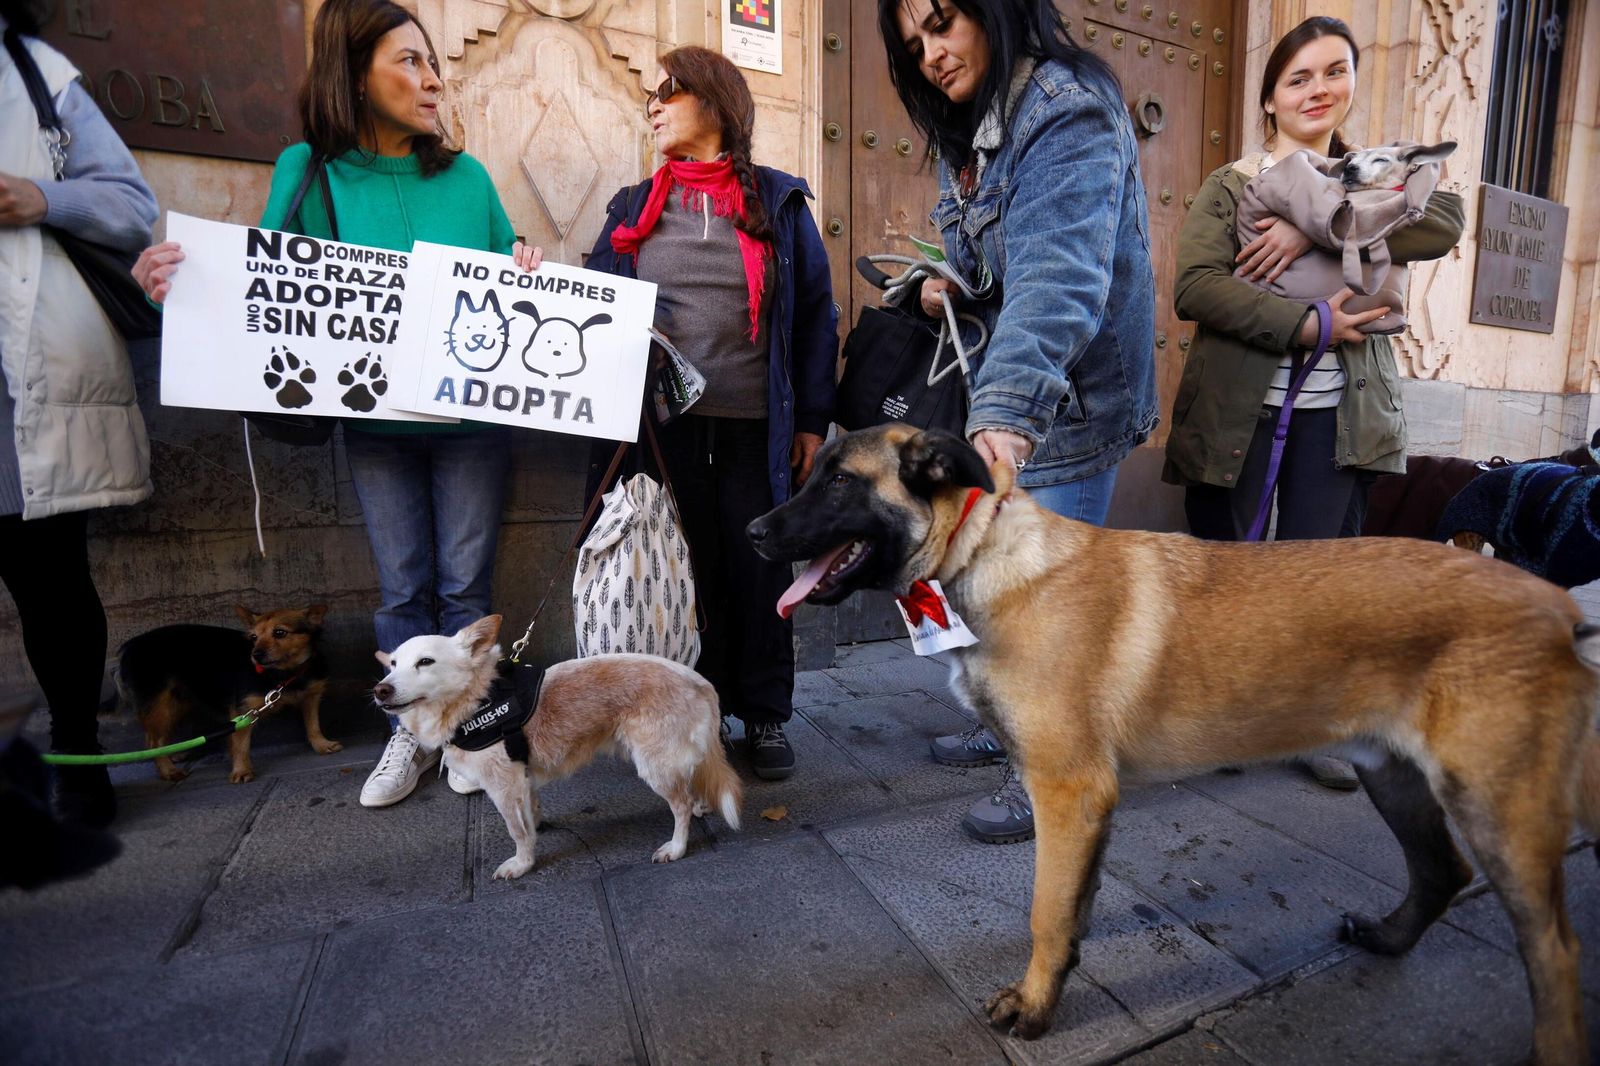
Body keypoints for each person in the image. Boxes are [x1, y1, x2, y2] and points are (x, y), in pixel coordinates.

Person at [134, 0, 542, 809]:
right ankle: (407, 734)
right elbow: (266, 297)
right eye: (410, 63)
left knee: (466, 587)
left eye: (434, 64)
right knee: (403, 587)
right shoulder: (310, 169)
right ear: (355, 75)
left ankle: (465, 734)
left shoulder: (466, 176)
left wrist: (526, 266)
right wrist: (170, 294)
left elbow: (506, 272)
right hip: (378, 425)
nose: (432, 81)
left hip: (473, 422)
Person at [879, 0, 1158, 843]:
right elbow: (990, 265)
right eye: (915, 42)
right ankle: (1006, 725)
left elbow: (1058, 282)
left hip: (1062, 403)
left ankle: (1050, 778)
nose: (931, 52)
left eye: (943, 22)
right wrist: (936, 286)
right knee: (989, 597)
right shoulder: (972, 131)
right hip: (1013, 391)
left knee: (1047, 617)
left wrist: (1003, 415)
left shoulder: (1066, 108)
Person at [1160, 16, 1464, 789]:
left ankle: (1306, 724)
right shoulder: (1233, 183)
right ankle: (1214, 717)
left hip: (1341, 415)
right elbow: (1196, 287)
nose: (1318, 89)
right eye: (1298, 77)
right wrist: (1308, 320)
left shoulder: (1373, 174)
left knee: (1320, 581)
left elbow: (1448, 223)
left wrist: (1315, 227)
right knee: (1223, 579)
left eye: (1334, 72)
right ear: (1269, 100)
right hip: (1240, 412)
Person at [585, 46, 837, 781]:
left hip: (760, 427)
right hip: (665, 435)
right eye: (651, 97)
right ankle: (695, 714)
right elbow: (596, 301)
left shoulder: (780, 203)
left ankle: (762, 716)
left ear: (716, 102)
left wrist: (813, 420)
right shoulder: (633, 208)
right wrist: (543, 277)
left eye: (668, 91)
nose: (653, 106)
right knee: (683, 570)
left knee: (758, 569)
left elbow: (817, 317)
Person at [1, 0, 159, 827]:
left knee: (50, 578)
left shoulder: (37, 74)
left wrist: (41, 199)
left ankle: (77, 752)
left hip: (25, 368)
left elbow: (134, 208)